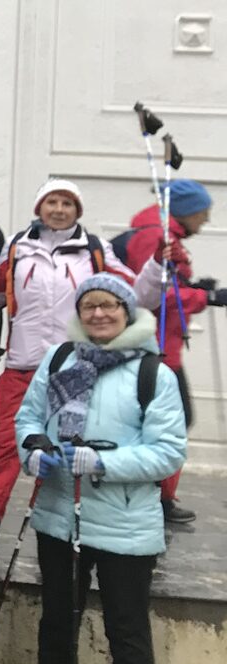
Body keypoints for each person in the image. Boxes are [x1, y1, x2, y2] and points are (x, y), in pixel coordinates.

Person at [12, 275, 187, 664]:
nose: (98, 314)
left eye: (109, 306)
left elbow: (168, 454)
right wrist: (34, 449)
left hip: (125, 525)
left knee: (126, 629)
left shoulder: (154, 373)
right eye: (89, 305)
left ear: (127, 312)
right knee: (57, 620)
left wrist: (105, 464)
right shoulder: (60, 357)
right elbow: (27, 419)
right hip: (59, 516)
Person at [0, 180, 130, 549]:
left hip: (73, 363)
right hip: (22, 362)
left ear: (77, 210)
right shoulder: (19, 246)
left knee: (60, 444)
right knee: (5, 441)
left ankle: (51, 523)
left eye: (66, 203)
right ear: (40, 207)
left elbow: (131, 291)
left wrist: (159, 273)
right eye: (51, 201)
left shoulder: (96, 250)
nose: (58, 209)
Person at [120, 178, 219, 525]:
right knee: (171, 422)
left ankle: (160, 496)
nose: (204, 222)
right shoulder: (155, 234)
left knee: (169, 421)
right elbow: (158, 292)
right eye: (202, 214)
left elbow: (172, 282)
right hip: (156, 347)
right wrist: (206, 297)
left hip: (167, 345)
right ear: (186, 210)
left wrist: (193, 286)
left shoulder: (164, 233)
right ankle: (157, 498)